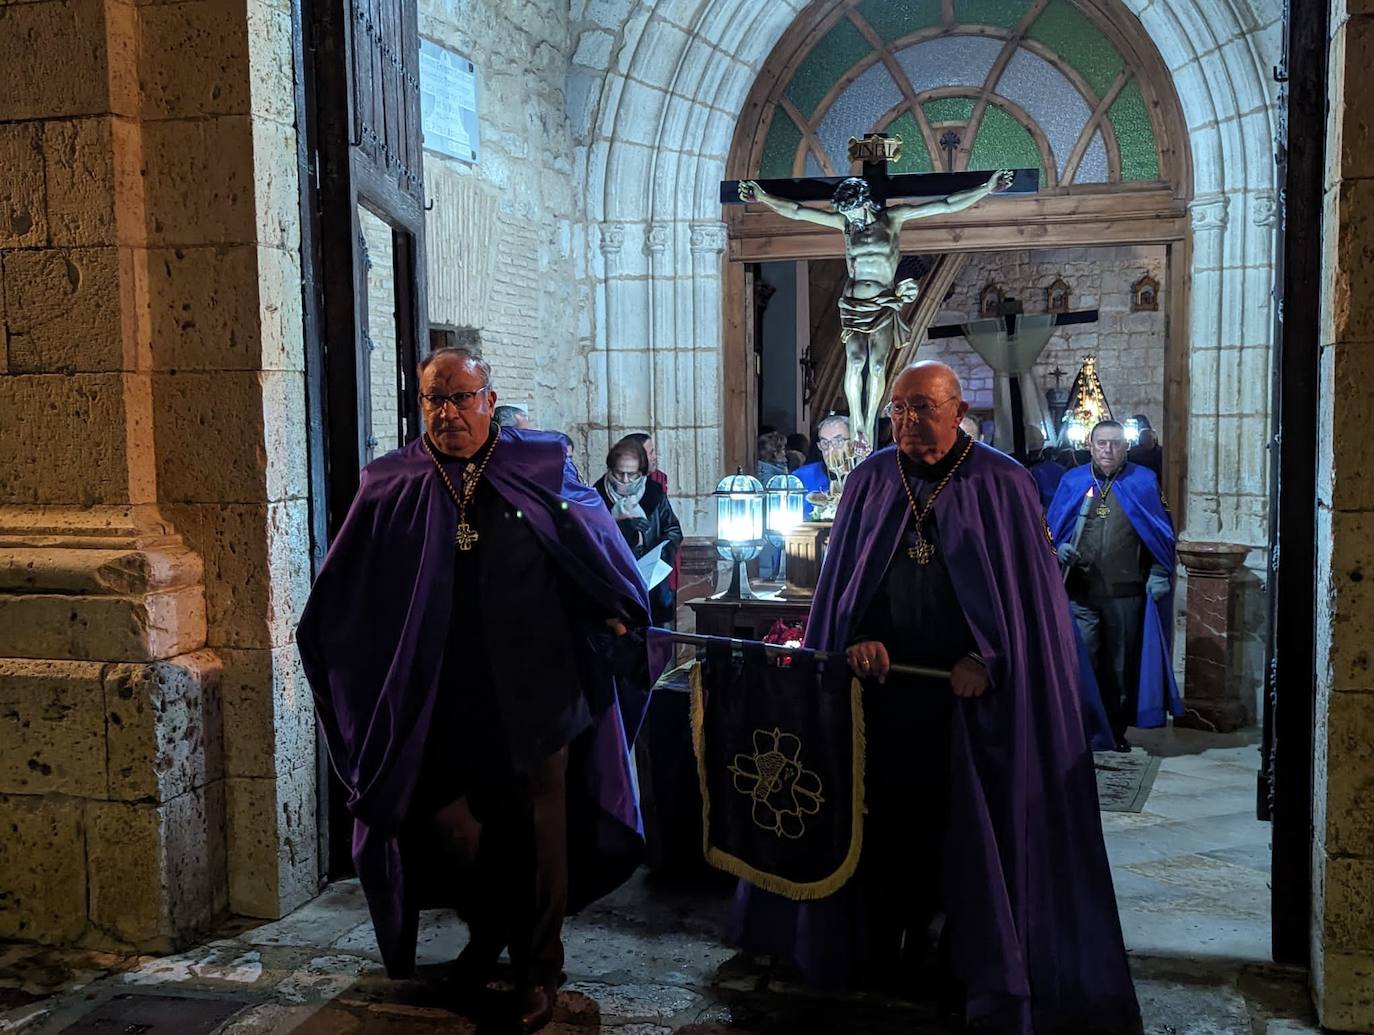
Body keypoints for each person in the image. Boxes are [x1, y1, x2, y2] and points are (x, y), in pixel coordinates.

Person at [733, 361, 1140, 1035]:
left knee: (967, 839)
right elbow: (845, 587)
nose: (907, 422)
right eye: (897, 410)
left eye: (921, 408)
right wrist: (856, 639)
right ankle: (881, 949)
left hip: (974, 709)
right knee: (884, 830)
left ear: (958, 412)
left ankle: (966, 960)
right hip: (882, 700)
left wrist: (989, 657)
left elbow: (1027, 607)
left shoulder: (1003, 484)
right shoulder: (869, 480)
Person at [298, 348, 661, 1034]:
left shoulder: (541, 463)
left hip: (539, 686)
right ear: (421, 404)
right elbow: (349, 587)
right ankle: (489, 930)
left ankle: (539, 966)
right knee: (449, 828)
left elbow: (588, 549)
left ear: (490, 400)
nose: (449, 412)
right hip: (442, 693)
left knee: (539, 830)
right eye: (436, 399)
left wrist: (609, 609)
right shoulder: (391, 480)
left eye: (463, 397)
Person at [739, 172, 1011, 445]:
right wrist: (763, 198)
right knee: (856, 361)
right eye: (847, 213)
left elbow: (946, 204)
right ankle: (856, 419)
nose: (852, 219)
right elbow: (798, 211)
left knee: (878, 365)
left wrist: (986, 188)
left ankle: (869, 423)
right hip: (855, 304)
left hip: (882, 302)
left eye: (854, 211)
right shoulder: (846, 225)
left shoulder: (893, 220)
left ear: (866, 202)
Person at [1049, 420, 1181, 751]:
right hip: (1081, 591)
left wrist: (1159, 572)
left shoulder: (1143, 481)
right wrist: (1058, 548)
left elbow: (1159, 533)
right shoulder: (1073, 480)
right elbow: (1050, 529)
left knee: (1120, 666)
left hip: (1126, 592)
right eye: (1102, 443)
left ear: (1126, 448)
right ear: (1090, 446)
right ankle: (1084, 729)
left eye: (1115, 444)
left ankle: (1114, 730)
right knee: (1085, 663)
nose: (1108, 450)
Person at [596, 437, 682, 627]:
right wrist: (621, 527)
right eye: (619, 474)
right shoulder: (596, 497)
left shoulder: (654, 492)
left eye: (632, 474)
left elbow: (673, 529)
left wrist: (660, 555)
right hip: (615, 591)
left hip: (653, 588)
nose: (625, 480)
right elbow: (591, 542)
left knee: (658, 645)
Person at [793, 414, 850, 516]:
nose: (830, 450)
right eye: (825, 443)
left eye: (838, 442)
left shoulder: (869, 478)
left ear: (852, 444)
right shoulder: (800, 478)